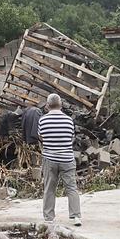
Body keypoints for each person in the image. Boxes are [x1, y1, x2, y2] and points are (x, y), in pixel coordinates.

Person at [38, 93, 82, 226]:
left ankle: (49, 217)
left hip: (49, 158)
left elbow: (41, 137)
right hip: (67, 159)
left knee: (49, 188)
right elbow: (71, 137)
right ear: (61, 105)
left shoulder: (43, 120)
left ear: (47, 106)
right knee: (71, 187)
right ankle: (76, 217)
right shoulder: (69, 120)